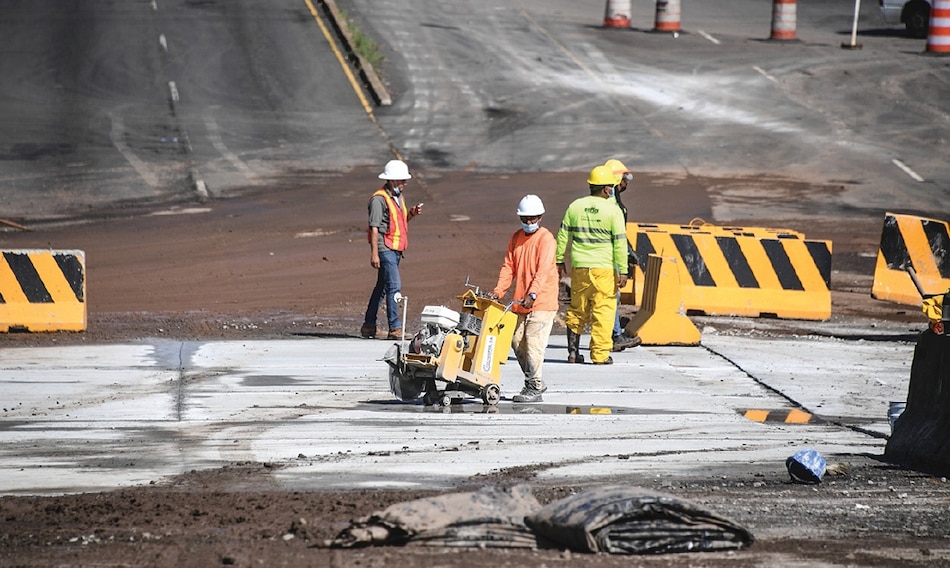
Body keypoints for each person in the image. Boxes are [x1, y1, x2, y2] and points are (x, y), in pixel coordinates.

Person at [555, 165, 630, 365]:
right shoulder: (613, 211)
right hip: (603, 270)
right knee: (603, 311)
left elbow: (563, 235)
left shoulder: (575, 206)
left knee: (577, 309)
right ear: (606, 189)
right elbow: (620, 244)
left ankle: (573, 353)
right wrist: (623, 270)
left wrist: (559, 260)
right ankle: (600, 355)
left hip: (580, 268)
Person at [491, 195, 559, 403]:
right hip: (521, 301)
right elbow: (508, 267)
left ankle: (534, 386)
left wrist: (533, 294)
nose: (529, 222)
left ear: (540, 217)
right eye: (525, 219)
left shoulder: (546, 239)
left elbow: (542, 271)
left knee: (533, 343)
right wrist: (498, 292)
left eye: (532, 218)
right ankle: (535, 380)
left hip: (542, 300)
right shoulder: (516, 238)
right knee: (516, 341)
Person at [361, 159, 423, 340]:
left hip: (396, 248)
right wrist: (374, 254)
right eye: (402, 180)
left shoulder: (398, 198)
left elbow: (400, 221)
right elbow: (374, 228)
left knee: (382, 287)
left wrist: (411, 213)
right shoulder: (378, 200)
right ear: (393, 180)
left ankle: (369, 325)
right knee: (394, 286)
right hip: (385, 248)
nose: (405, 183)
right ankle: (394, 328)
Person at [603, 158, 641, 352]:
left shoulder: (609, 200)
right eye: (625, 179)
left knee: (609, 296)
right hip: (609, 256)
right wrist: (625, 254)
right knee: (612, 295)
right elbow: (616, 234)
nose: (627, 183)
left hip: (603, 255)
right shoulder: (612, 204)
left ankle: (609, 335)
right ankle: (613, 336)